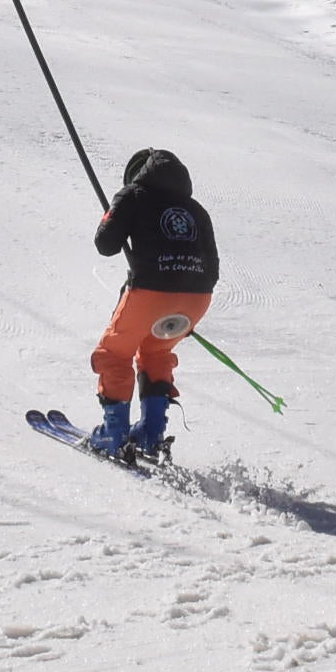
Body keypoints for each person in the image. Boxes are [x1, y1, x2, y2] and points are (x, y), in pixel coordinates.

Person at [86, 147, 219, 461]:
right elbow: (213, 268)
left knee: (115, 352)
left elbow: (105, 244)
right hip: (198, 297)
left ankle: (114, 434)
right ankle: (151, 432)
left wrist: (115, 216)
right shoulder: (196, 210)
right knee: (156, 351)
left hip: (151, 292)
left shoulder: (133, 195)